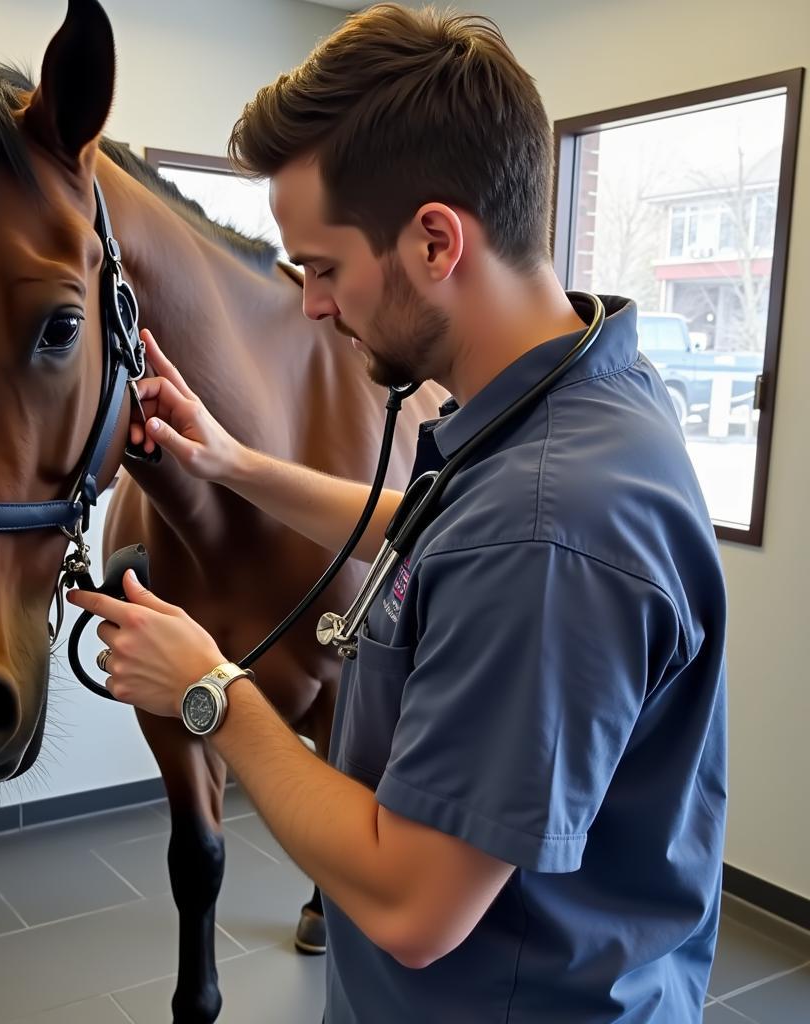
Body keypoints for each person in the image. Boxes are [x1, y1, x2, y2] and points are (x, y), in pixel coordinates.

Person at [67, 5, 728, 1021]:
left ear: (432, 241)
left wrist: (208, 688)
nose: (315, 306)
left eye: (323, 268)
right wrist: (234, 463)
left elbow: (413, 901)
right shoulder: (580, 392)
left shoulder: (546, 529)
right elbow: (434, 530)